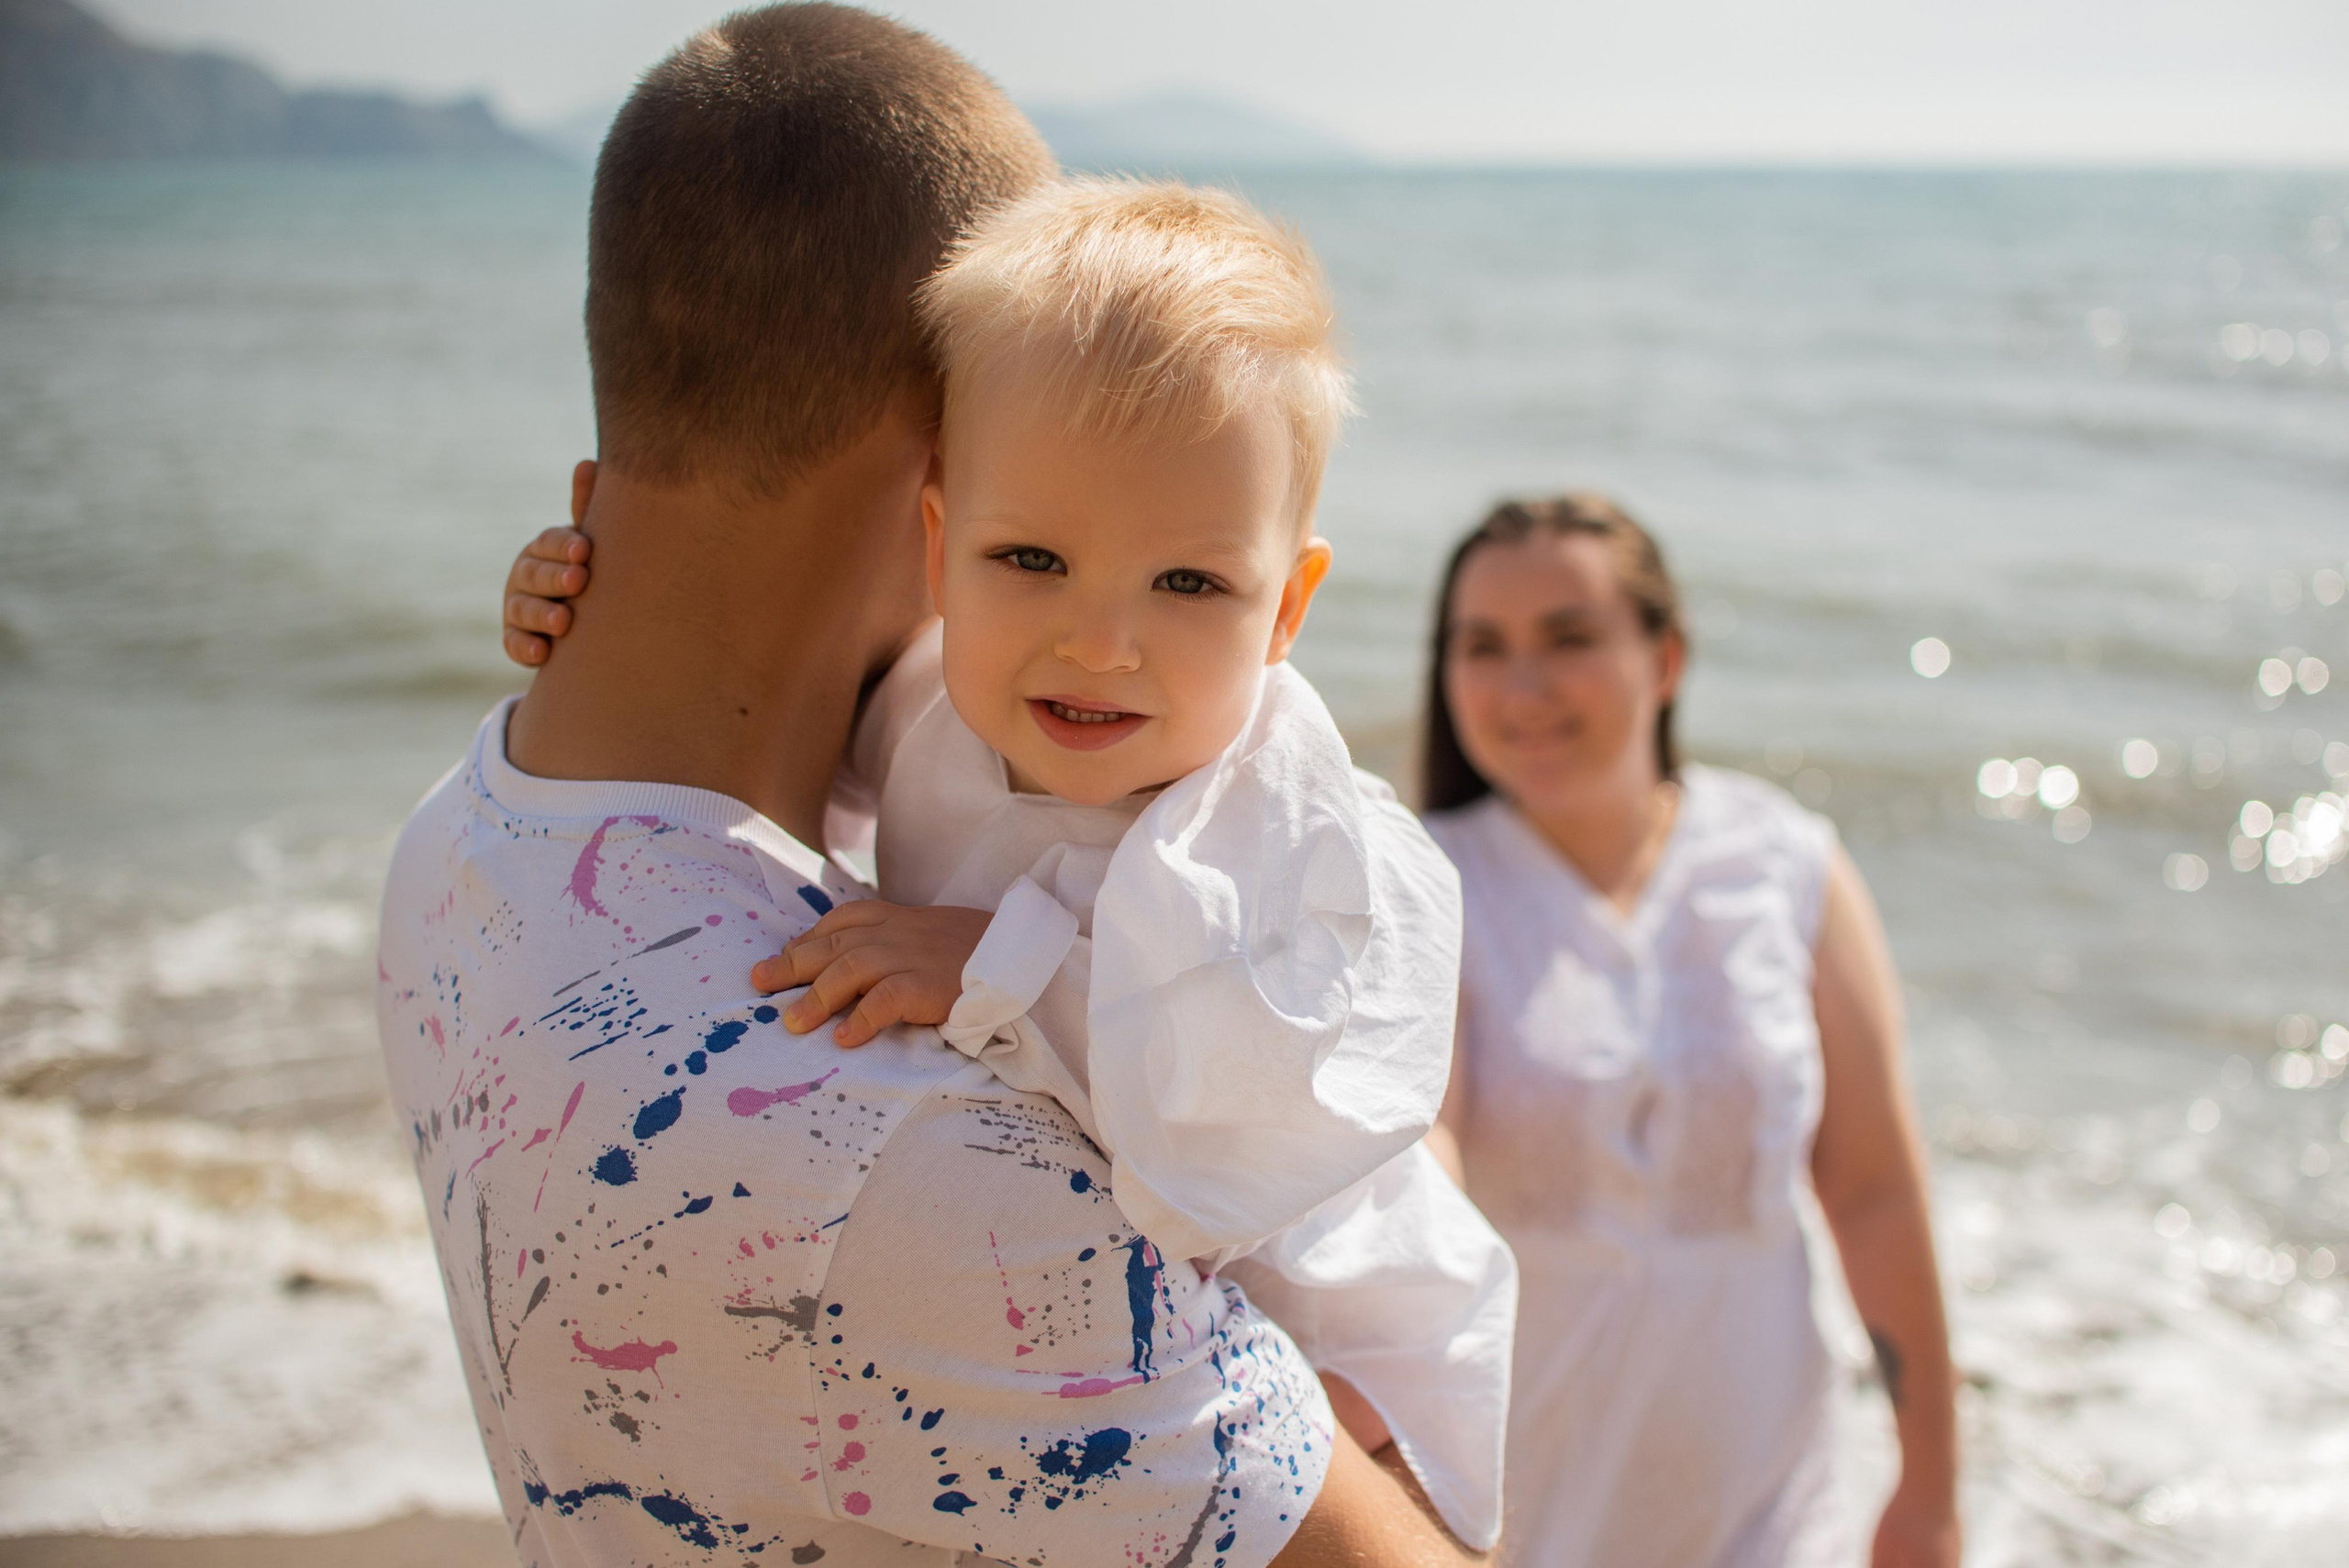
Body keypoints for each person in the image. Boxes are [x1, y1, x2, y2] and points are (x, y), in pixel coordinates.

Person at [377, 7, 1482, 1565]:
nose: (1102, 637)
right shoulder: (904, 1152)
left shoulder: (460, 842)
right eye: (1034, 548)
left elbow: (1304, 1057)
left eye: (1184, 577)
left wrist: (595, 588)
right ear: (939, 486)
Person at [1416, 495, 1961, 1567]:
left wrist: (1930, 1487)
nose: (1521, 686)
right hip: (1520, 1511)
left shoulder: (1784, 864)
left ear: (1663, 658)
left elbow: (1875, 1190)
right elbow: (1416, 1164)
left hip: (1775, 1501)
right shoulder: (1420, 880)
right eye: (1482, 646)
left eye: (1567, 637)